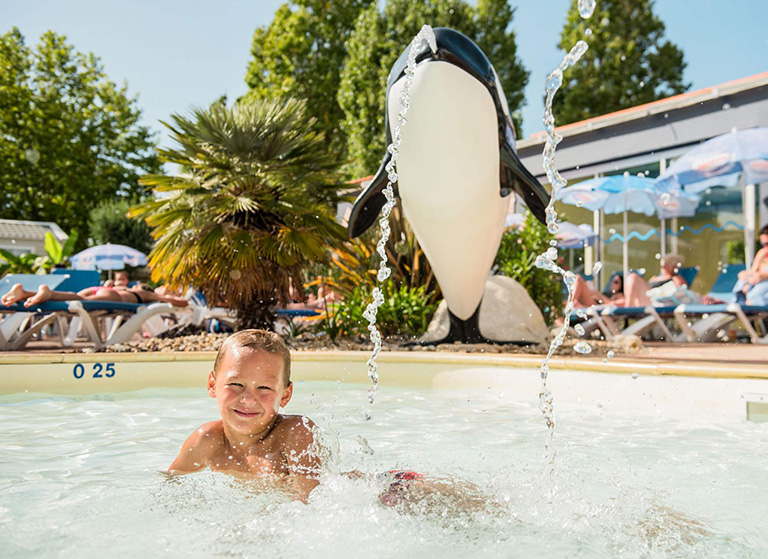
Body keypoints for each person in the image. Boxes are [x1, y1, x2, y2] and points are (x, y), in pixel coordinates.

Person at [167, 329, 320, 502]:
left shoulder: (295, 434)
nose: (248, 399)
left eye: (264, 388)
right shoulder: (208, 440)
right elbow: (170, 485)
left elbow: (311, 503)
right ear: (213, 385)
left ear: (285, 395)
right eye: (236, 384)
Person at [0, 276, 189, 308]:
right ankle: (47, 292)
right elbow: (181, 302)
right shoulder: (144, 294)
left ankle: (25, 292)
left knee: (76, 296)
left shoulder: (123, 286)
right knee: (78, 300)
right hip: (114, 297)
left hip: (99, 289)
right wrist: (164, 297)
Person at [734, 224, 768, 306]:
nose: (765, 247)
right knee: (742, 279)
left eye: (767, 243)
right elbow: (753, 271)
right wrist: (746, 275)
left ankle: (749, 302)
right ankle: (738, 301)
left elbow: (761, 276)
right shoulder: (762, 253)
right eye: (762, 244)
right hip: (756, 287)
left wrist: (764, 275)